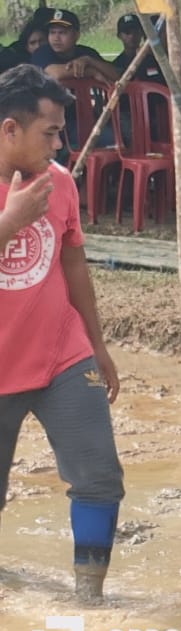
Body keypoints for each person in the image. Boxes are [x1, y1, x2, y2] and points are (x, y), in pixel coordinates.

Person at [0, 65, 124, 603]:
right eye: (49, 132)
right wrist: (12, 221)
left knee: (99, 479)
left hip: (62, 357)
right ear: (10, 130)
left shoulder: (61, 184)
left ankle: (89, 599)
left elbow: (74, 266)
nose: (59, 143)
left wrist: (97, 347)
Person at [31, 9, 119, 85]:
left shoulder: (86, 53)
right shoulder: (42, 52)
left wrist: (89, 60)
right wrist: (91, 72)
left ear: (76, 35)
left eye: (62, 33)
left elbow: (117, 75)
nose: (56, 38)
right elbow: (55, 73)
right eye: (52, 32)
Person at [110, 13, 162, 82]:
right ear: (119, 36)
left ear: (142, 33)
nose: (132, 36)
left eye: (136, 31)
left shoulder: (154, 59)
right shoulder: (117, 65)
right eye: (127, 32)